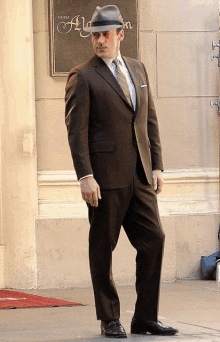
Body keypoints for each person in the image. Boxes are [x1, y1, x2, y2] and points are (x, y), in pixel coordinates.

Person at [65, 5, 178, 338]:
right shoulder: (82, 76)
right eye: (95, 35)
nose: (100, 40)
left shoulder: (138, 69)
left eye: (105, 34)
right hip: (105, 179)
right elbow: (76, 131)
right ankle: (109, 317)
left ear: (120, 35)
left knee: (154, 240)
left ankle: (144, 318)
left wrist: (156, 164)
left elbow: (148, 120)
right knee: (103, 247)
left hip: (140, 176)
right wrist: (85, 175)